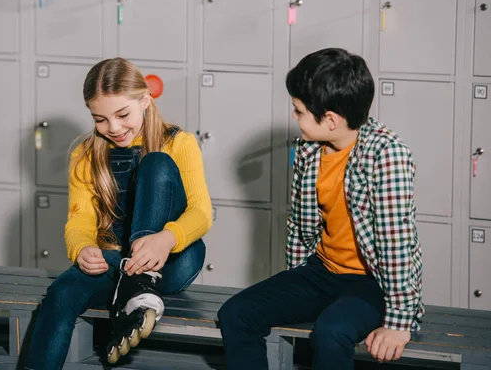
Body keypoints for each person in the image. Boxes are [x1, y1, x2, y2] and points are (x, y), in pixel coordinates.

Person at [217, 48, 424, 370]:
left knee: (332, 331)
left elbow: (395, 246)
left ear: (330, 120)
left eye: (299, 111)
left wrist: (399, 323)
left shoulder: (387, 155)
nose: (294, 117)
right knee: (235, 313)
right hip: (323, 271)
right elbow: (300, 225)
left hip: (374, 281)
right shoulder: (310, 149)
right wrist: (296, 278)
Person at [24, 57, 212, 369]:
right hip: (117, 260)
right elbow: (80, 218)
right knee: (62, 291)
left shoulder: (179, 143)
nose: (113, 127)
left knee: (156, 163)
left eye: (123, 114)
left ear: (145, 100)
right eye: (100, 119)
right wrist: (83, 247)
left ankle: (141, 285)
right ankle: (133, 290)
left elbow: (201, 213)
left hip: (172, 261)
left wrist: (167, 239)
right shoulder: (84, 155)